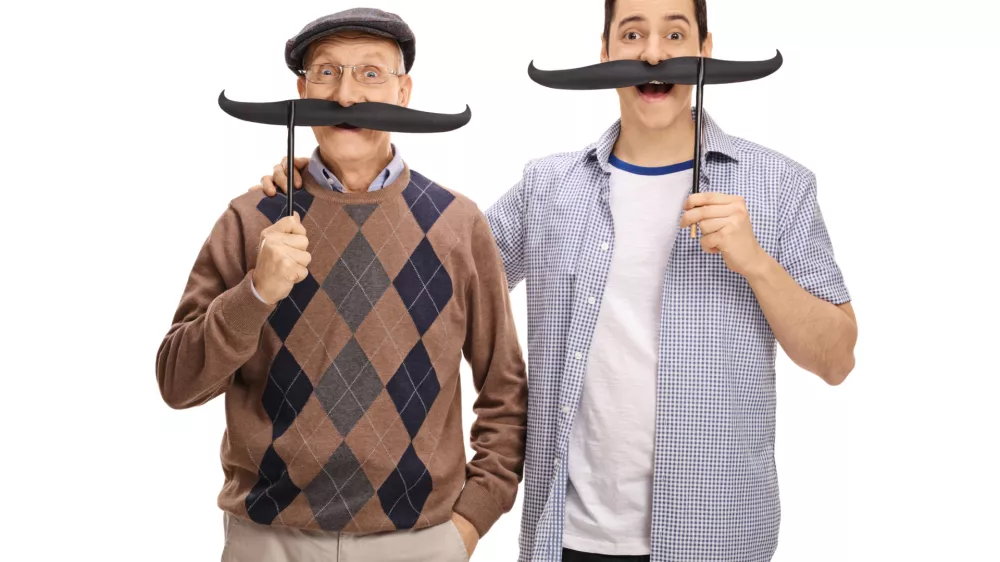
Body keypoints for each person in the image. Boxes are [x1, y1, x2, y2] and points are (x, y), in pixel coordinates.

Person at [252, 1, 858, 561]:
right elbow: (427, 274)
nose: (652, 53)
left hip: (716, 534)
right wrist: (333, 179)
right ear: (605, 51)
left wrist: (755, 260)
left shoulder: (779, 186)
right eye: (633, 33)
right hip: (565, 537)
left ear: (704, 48)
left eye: (674, 34)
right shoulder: (549, 189)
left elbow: (836, 358)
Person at [156, 8, 527, 561]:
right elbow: (177, 382)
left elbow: (504, 390)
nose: (346, 95)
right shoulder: (251, 217)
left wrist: (468, 524)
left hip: (418, 542)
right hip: (268, 540)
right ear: (301, 89)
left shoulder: (458, 223)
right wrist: (255, 293)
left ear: (404, 91)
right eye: (326, 73)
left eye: (370, 73)